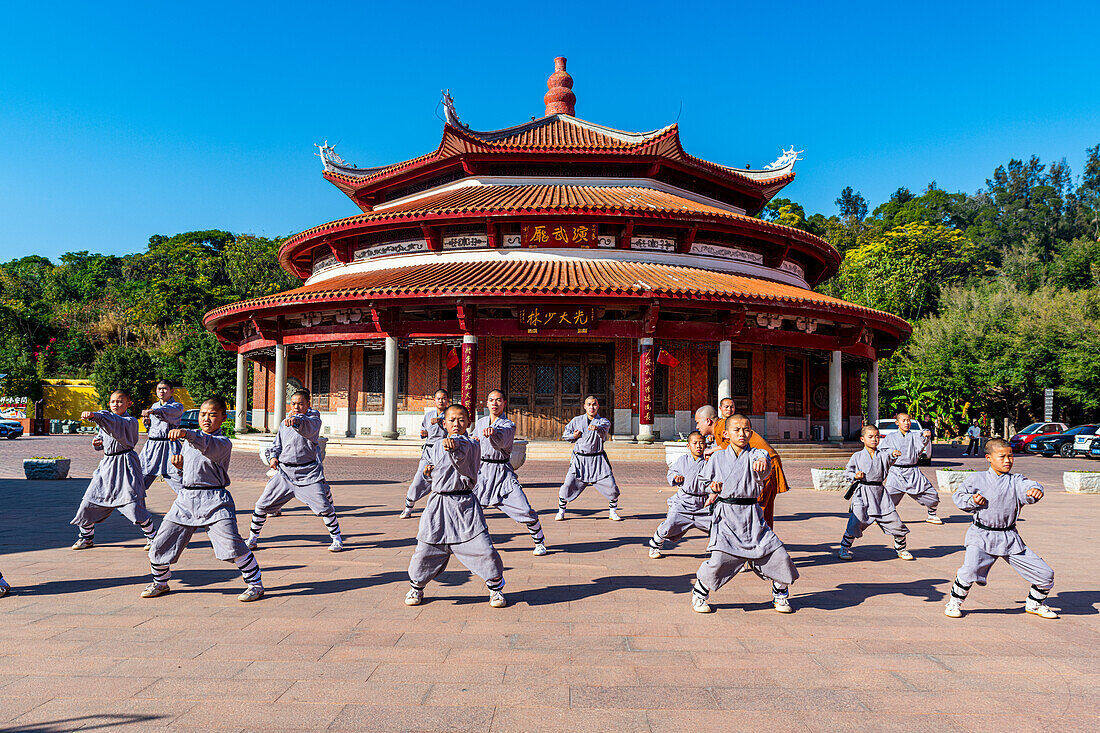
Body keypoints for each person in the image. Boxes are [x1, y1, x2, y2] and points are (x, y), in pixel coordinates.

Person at [142, 397, 263, 602]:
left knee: (232, 545)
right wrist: (181, 468)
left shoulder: (222, 442)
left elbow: (207, 445)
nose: (206, 418)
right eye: (203, 414)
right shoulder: (190, 441)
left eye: (212, 415)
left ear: (223, 418)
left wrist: (186, 433)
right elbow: (190, 472)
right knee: (160, 543)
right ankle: (160, 582)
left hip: (215, 500)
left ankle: (255, 585)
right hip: (186, 499)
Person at [691, 415, 798, 614]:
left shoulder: (757, 454)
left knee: (779, 555)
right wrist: (711, 486)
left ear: (751, 432)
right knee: (720, 561)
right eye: (737, 430)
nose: (742, 434)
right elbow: (704, 480)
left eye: (746, 429)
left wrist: (761, 463)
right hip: (727, 517)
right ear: (725, 434)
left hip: (753, 516)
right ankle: (699, 592)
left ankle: (780, 593)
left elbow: (763, 461)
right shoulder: (717, 457)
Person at [405, 404, 507, 608]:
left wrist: (455, 448)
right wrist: (425, 478)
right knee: (424, 551)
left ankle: (495, 588)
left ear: (468, 423)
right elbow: (424, 476)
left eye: (461, 420)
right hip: (438, 506)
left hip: (465, 505)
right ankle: (416, 587)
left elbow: (464, 459)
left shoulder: (472, 444)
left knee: (484, 550)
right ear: (444, 423)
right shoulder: (433, 448)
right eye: (451, 420)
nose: (456, 424)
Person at [944, 438, 1057, 619]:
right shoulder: (977, 478)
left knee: (1045, 574)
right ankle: (954, 602)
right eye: (1002, 456)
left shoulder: (1016, 480)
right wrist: (971, 500)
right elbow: (959, 497)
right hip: (981, 535)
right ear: (989, 458)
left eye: (1010, 456)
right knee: (970, 569)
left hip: (1009, 537)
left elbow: (1029, 486)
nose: (1008, 460)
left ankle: (1035, 603)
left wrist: (1035, 490)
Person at [247, 390, 343, 552]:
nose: (296, 407)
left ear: (308, 405)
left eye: (300, 404)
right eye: (293, 404)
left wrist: (297, 420)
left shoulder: (313, 420)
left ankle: (337, 539)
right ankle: (251, 539)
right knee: (261, 505)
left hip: (308, 475)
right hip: (284, 474)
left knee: (324, 507)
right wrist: (273, 457)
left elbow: (307, 427)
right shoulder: (285, 423)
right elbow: (277, 444)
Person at [70, 390, 157, 550]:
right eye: (112, 402)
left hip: (126, 465)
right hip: (107, 466)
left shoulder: (129, 421)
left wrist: (96, 415)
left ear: (128, 404)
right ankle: (86, 537)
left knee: (133, 504)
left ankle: (153, 538)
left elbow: (115, 424)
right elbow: (104, 438)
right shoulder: (107, 421)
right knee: (89, 500)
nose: (115, 404)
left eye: (119, 401)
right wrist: (97, 443)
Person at [471, 390, 547, 556]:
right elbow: (473, 440)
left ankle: (539, 541)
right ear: (487, 403)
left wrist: (494, 434)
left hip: (502, 473)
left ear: (504, 403)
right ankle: (466, 543)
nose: (494, 403)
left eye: (498, 400)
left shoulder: (508, 425)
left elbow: (502, 442)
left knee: (525, 510)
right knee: (468, 508)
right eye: (491, 400)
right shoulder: (481, 422)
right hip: (482, 473)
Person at [838, 425, 913, 561]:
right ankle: (844, 548)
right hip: (863, 494)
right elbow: (847, 472)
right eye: (870, 437)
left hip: (880, 495)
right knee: (855, 522)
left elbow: (890, 457)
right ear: (862, 439)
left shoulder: (883, 455)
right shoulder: (857, 456)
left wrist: (894, 455)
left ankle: (901, 549)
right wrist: (855, 475)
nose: (874, 439)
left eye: (877, 436)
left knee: (895, 522)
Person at [712, 397, 789, 526]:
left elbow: (727, 445)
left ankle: (761, 536)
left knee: (760, 504)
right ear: (720, 408)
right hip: (762, 461)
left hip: (765, 463)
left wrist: (709, 451)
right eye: (726, 407)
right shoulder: (722, 424)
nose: (729, 409)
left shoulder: (734, 422)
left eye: (732, 407)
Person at [556, 396, 620, 521]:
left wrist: (596, 428)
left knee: (611, 486)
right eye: (589, 404)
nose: (592, 407)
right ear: (584, 406)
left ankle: (613, 512)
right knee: (568, 485)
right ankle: (561, 511)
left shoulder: (603, 421)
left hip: (598, 460)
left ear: (598, 406)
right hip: (580, 461)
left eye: (594, 404)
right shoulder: (576, 420)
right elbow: (565, 435)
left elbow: (604, 428)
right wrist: (573, 435)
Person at [648, 430, 710, 558]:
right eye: (695, 443)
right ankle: (655, 544)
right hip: (683, 502)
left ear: (706, 445)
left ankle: (728, 554)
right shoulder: (683, 460)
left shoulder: (710, 462)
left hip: (703, 505)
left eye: (701, 443)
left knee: (718, 527)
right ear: (688, 446)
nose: (698, 446)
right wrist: (676, 478)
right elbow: (671, 473)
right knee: (669, 524)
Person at [879, 411, 942, 524]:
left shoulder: (914, 435)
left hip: (913, 471)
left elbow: (923, 434)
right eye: (904, 420)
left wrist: (926, 432)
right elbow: (883, 450)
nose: (907, 423)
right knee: (887, 496)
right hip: (896, 472)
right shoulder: (891, 437)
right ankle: (881, 516)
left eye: (908, 420)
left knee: (931, 493)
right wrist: (892, 452)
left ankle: (932, 514)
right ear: (897, 422)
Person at [401, 389, 451, 519]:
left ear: (448, 400)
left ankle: (443, 512)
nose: (441, 401)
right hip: (428, 452)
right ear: (434, 400)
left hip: (443, 452)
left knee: (443, 482)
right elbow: (423, 430)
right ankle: (408, 507)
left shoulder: (450, 415)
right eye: (439, 398)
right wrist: (424, 432)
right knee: (418, 480)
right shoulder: (429, 416)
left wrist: (442, 423)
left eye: (444, 398)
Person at [139, 380, 185, 494]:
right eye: (159, 389)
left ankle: (190, 504)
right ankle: (133, 507)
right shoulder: (154, 405)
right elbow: (151, 426)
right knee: (140, 477)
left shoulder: (176, 406)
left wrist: (154, 411)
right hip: (152, 446)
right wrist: (147, 421)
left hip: (169, 445)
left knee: (177, 477)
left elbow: (167, 412)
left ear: (171, 391)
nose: (161, 391)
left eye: (164, 389)